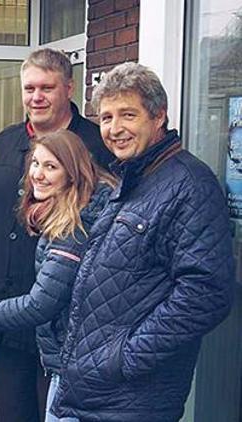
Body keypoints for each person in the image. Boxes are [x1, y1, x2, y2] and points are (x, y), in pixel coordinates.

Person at [50, 62, 234, 422]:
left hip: (132, 399)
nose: (114, 129)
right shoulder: (134, 179)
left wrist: (125, 357)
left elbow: (206, 292)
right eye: (106, 118)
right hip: (96, 392)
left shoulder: (188, 184)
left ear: (158, 116)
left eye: (128, 115)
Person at [0, 48, 114, 422]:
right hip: (7, 314)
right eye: (29, 88)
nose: (36, 98)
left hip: (66, 325)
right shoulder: (5, 142)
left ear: (68, 88)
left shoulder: (97, 146)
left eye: (47, 88)